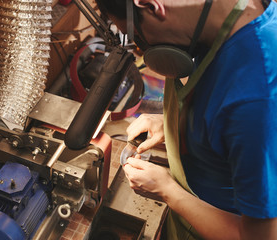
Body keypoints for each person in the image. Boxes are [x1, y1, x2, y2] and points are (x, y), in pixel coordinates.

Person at [95, 0, 277, 239]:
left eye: (137, 37)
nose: (143, 50)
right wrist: (178, 125)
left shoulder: (255, 98)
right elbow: (220, 111)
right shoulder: (217, 17)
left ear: (151, 5)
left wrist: (168, 190)